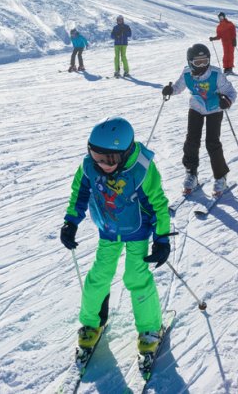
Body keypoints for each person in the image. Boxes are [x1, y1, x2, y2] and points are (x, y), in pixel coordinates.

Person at [59, 117, 171, 359]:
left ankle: (150, 329)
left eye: (109, 159)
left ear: (126, 152)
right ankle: (92, 322)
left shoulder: (140, 170)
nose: (102, 164)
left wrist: (161, 238)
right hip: (108, 230)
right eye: (96, 155)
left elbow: (159, 204)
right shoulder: (89, 166)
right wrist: (71, 221)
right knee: (99, 275)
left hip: (137, 231)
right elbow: (79, 193)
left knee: (136, 277)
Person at [162, 44, 237, 196]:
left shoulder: (216, 74)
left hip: (214, 109)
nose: (202, 66)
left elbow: (231, 91)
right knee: (191, 141)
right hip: (196, 107)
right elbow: (178, 87)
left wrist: (226, 101)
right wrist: (171, 90)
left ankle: (220, 176)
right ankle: (191, 173)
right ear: (190, 63)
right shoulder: (187, 73)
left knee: (212, 142)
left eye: (205, 61)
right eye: (198, 62)